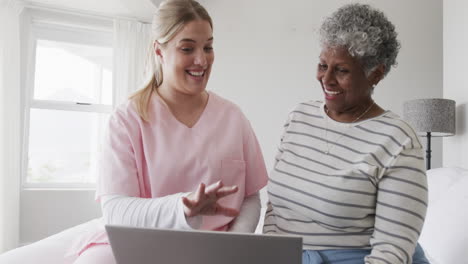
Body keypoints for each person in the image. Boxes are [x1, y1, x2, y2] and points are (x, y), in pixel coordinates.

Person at [0, 0, 267, 263]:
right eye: (187, 48)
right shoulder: (128, 118)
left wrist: (236, 243)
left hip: (214, 249)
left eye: (208, 47)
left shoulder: (232, 117)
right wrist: (182, 208)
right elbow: (116, 210)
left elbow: (250, 196)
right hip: (135, 244)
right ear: (159, 52)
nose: (202, 60)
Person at [263, 3, 429, 264]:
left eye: (341, 70)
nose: (326, 79)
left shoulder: (398, 139)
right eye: (322, 65)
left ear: (375, 74)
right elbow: (275, 210)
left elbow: (392, 252)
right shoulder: (299, 117)